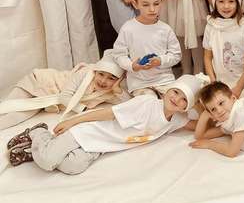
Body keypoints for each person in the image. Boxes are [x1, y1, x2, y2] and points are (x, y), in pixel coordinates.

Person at [8, 74, 207, 173]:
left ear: (187, 107)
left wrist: (204, 108)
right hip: (87, 131)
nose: (176, 99)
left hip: (100, 146)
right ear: (167, 91)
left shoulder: (176, 120)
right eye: (175, 92)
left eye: (184, 100)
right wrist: (72, 121)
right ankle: (38, 133)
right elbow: (108, 113)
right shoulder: (146, 103)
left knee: (74, 167)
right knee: (47, 161)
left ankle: (35, 151)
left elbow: (199, 128)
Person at [0, 50, 127, 131]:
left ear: (119, 80)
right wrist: (82, 109)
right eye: (101, 74)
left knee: (15, 118)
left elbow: (130, 104)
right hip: (39, 81)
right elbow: (64, 96)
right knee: (5, 106)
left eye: (111, 78)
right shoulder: (85, 73)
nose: (103, 81)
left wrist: (117, 89)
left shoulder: (110, 92)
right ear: (96, 71)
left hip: (47, 100)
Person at [112, 0, 181, 97]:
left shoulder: (165, 29)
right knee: (149, 102)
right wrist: (132, 66)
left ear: (161, 1)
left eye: (156, 4)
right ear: (135, 4)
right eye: (145, 5)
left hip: (164, 81)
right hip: (139, 84)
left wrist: (160, 60)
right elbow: (118, 55)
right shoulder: (128, 28)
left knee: (175, 101)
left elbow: (176, 55)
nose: (152, 9)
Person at [203, 0, 244, 101]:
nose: (226, 6)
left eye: (231, 1)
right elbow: (207, 57)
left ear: (237, 3)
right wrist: (213, 82)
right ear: (215, 3)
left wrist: (239, 87)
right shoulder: (211, 26)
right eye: (221, 1)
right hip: (218, 83)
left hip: (240, 84)